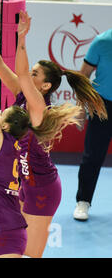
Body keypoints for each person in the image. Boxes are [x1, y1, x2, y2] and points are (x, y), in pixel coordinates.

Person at [0, 4, 107, 258]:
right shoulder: (21, 95)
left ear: (45, 85)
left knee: (29, 255)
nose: (29, 74)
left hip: (42, 189)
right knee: (9, 248)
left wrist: (22, 37)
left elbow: (20, 73)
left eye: (35, 73)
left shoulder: (40, 108)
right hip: (21, 183)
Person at [74, 28, 112, 221]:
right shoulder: (101, 42)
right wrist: (80, 108)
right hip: (102, 106)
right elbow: (83, 75)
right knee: (93, 156)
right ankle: (83, 201)